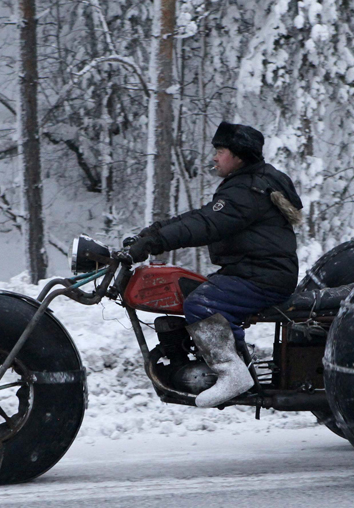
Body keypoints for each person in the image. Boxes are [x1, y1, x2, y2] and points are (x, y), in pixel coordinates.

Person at [126, 122, 303, 407]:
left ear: (239, 156)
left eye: (220, 151)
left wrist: (153, 244)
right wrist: (152, 233)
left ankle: (231, 373)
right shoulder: (249, 183)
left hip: (263, 277)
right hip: (254, 271)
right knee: (196, 291)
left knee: (202, 304)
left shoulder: (247, 190)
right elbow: (203, 215)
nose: (214, 157)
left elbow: (207, 224)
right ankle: (234, 360)